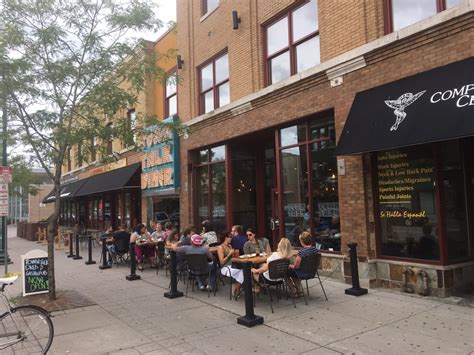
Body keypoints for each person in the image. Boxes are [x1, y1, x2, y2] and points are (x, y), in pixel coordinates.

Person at [287, 232, 319, 296]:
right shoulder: (315, 250)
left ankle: (293, 290)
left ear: (302, 241)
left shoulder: (301, 252)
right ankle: (299, 290)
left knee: (285, 271)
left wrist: (289, 265)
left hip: (303, 273)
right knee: (293, 272)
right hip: (312, 272)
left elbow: (296, 267)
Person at [217, 231, 244, 300]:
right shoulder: (220, 247)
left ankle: (236, 289)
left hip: (232, 266)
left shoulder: (230, 246)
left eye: (231, 237)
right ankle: (236, 290)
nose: (231, 238)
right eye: (230, 237)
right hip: (225, 268)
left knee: (243, 271)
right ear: (225, 238)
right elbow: (222, 262)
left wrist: (237, 256)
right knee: (241, 272)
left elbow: (232, 259)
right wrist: (229, 254)